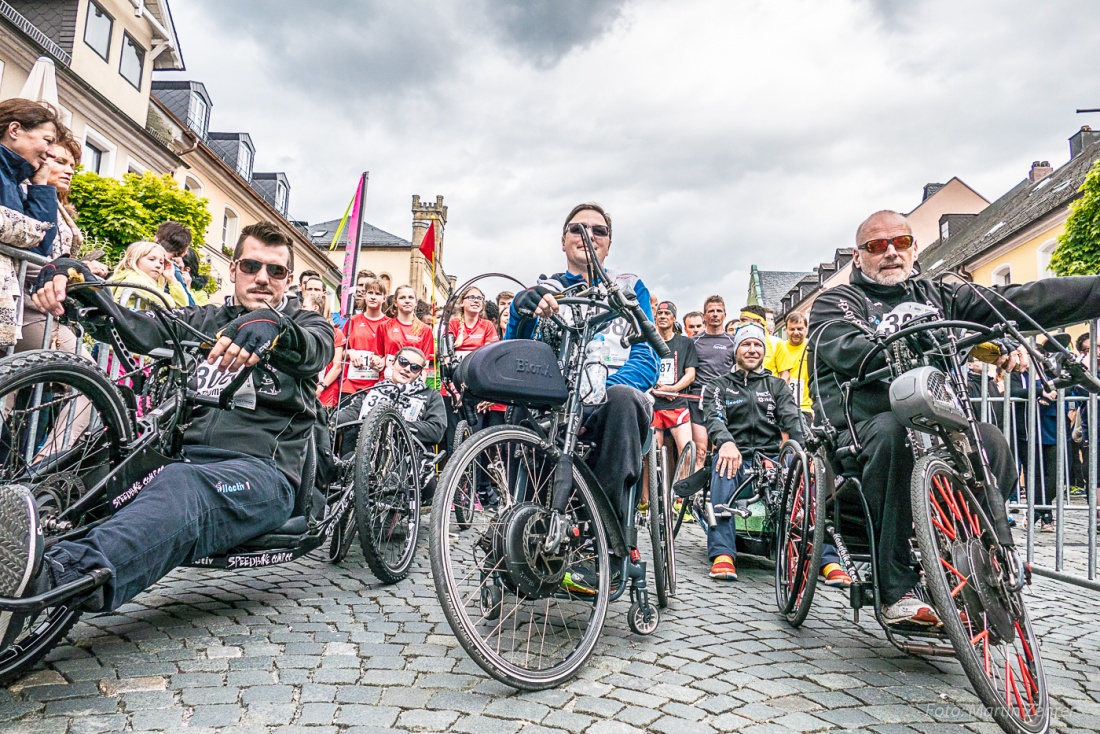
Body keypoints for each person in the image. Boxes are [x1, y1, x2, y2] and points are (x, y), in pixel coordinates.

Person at [0, 221, 333, 641]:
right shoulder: (206, 318)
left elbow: (316, 348)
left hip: (262, 476)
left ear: (288, 281)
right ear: (234, 269)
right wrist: (75, 279)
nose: (262, 278)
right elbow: (139, 326)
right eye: (251, 266)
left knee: (184, 485)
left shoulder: (303, 323)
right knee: (85, 466)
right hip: (180, 457)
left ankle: (48, 579)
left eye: (276, 271)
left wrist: (274, 327)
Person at [806, 209, 1100, 625]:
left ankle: (977, 559)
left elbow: (1021, 299)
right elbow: (841, 344)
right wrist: (884, 349)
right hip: (869, 421)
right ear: (859, 256)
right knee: (895, 435)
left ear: (914, 248)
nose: (890, 252)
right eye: (877, 246)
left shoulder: (937, 295)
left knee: (991, 442)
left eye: (901, 243)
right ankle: (896, 589)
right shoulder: (838, 301)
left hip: (937, 416)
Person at [507, 201, 658, 595]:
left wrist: (605, 389)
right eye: (577, 229)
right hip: (555, 401)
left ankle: (600, 546)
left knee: (624, 400)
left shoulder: (630, 288)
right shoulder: (544, 288)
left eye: (598, 231)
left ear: (608, 244)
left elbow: (647, 356)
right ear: (562, 241)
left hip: (609, 400)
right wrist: (523, 308)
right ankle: (516, 526)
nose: (587, 236)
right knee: (519, 407)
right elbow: (515, 346)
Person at [0, 100, 61, 347]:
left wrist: (41, 187)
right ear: (14, 130)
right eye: (47, 140)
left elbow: (39, 246)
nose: (50, 152)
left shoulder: (15, 180)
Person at [335, 346, 446, 455]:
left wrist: (394, 424)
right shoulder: (372, 391)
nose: (407, 369)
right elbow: (351, 414)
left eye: (414, 367)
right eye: (403, 362)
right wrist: (327, 420)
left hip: (405, 460)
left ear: (420, 373)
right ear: (393, 363)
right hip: (364, 456)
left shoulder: (431, 395)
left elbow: (436, 430)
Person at [689, 296, 737, 470]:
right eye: (711, 311)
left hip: (724, 399)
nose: (715, 315)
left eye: (718, 311)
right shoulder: (694, 342)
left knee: (721, 448)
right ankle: (694, 496)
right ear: (704, 316)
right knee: (700, 451)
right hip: (697, 399)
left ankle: (718, 492)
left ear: (725, 314)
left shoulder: (733, 342)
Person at [650, 301, 697, 473]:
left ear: (674, 318)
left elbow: (690, 374)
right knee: (651, 453)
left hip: (677, 404)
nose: (663, 316)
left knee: (687, 451)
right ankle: (646, 498)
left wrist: (673, 389)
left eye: (667, 314)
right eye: (660, 314)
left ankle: (681, 496)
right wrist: (658, 389)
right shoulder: (648, 342)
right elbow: (643, 370)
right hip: (653, 404)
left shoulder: (685, 343)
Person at [340, 278, 388, 398]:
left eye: (378, 294)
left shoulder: (390, 324)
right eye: (370, 293)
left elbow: (394, 354)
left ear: (384, 298)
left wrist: (382, 360)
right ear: (364, 295)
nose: (373, 297)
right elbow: (339, 352)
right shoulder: (353, 321)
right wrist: (350, 352)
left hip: (377, 387)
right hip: (350, 385)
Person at [110, 241, 188, 311]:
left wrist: (171, 278)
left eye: (161, 262)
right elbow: (170, 304)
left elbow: (182, 309)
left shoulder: (149, 283)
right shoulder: (134, 279)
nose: (158, 265)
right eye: (151, 259)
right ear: (132, 261)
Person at [307, 293, 346, 409]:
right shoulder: (303, 330)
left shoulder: (336, 333)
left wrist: (321, 386)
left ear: (315, 308)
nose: (300, 309)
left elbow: (337, 366)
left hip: (326, 391)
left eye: (304, 306)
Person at [772, 311, 814, 420]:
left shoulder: (813, 347)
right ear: (786, 329)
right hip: (783, 406)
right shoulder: (779, 348)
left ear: (806, 328)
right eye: (792, 329)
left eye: (800, 329)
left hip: (807, 407)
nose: (796, 332)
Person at [381, 285, 434, 363]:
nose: (407, 301)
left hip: (413, 374)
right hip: (388, 374)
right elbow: (378, 356)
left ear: (415, 302)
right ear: (395, 302)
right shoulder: (384, 326)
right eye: (402, 297)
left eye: (411, 297)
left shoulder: (426, 329)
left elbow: (425, 364)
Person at [738, 305, 779, 375]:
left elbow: (785, 374)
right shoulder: (738, 341)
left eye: (744, 320)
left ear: (758, 321)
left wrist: (776, 386)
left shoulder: (776, 342)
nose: (740, 324)